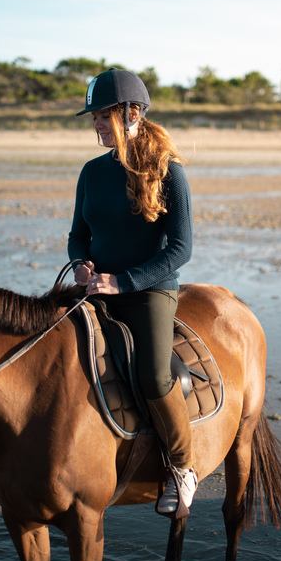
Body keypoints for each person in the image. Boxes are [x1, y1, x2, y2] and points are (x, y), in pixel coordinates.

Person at [67, 68, 197, 518]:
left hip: (149, 292)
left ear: (132, 113)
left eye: (103, 115)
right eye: (94, 116)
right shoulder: (90, 172)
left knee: (153, 376)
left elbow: (181, 249)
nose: (97, 124)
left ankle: (181, 466)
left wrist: (123, 282)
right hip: (96, 286)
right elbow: (76, 236)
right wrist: (83, 263)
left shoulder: (169, 172)